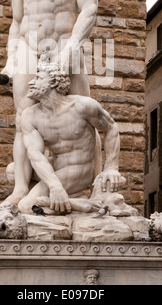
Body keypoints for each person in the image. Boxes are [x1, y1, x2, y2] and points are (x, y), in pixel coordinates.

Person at [0, 0, 101, 206]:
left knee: (85, 115)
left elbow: (89, 9)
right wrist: (10, 60)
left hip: (64, 47)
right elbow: (17, 23)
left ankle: (97, 186)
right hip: (30, 51)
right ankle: (20, 188)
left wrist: (69, 51)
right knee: (23, 119)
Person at [17, 57, 125, 215]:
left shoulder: (82, 106)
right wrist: (55, 187)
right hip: (58, 166)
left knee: (26, 206)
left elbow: (111, 128)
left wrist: (111, 167)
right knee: (13, 171)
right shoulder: (30, 116)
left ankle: (64, 201)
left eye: (39, 78)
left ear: (53, 82)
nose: (31, 83)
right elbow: (35, 155)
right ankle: (78, 204)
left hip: (78, 170)